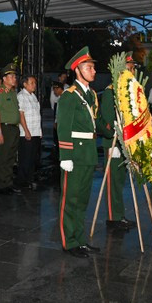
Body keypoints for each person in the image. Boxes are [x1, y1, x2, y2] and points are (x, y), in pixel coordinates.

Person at [56, 46, 101, 258]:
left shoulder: (91, 95)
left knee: (82, 200)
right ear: (78, 70)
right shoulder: (69, 96)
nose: (92, 71)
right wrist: (65, 156)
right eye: (88, 67)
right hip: (74, 154)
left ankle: (80, 240)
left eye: (92, 67)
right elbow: (63, 127)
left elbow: (95, 124)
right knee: (70, 199)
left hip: (88, 154)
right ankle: (69, 242)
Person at [97, 53, 137, 231]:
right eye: (129, 68)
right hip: (113, 143)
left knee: (120, 181)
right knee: (113, 181)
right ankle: (113, 218)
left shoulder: (128, 91)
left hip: (125, 142)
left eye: (133, 68)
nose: (132, 71)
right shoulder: (110, 91)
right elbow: (106, 118)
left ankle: (119, 215)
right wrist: (115, 135)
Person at [0, 63, 21, 195]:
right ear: (4, 78)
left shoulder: (12, 92)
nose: (14, 78)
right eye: (11, 76)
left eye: (14, 76)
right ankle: (1, 184)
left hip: (14, 128)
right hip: (5, 128)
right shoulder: (0, 93)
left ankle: (8, 182)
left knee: (11, 157)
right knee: (3, 157)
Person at [16, 74, 42, 189]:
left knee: (32, 159)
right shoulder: (21, 96)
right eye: (32, 83)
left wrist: (40, 131)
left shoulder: (33, 96)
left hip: (35, 132)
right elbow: (21, 115)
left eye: (35, 83)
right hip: (26, 133)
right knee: (25, 159)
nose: (34, 85)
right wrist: (26, 131)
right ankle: (22, 182)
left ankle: (29, 180)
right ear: (24, 84)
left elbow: (37, 115)